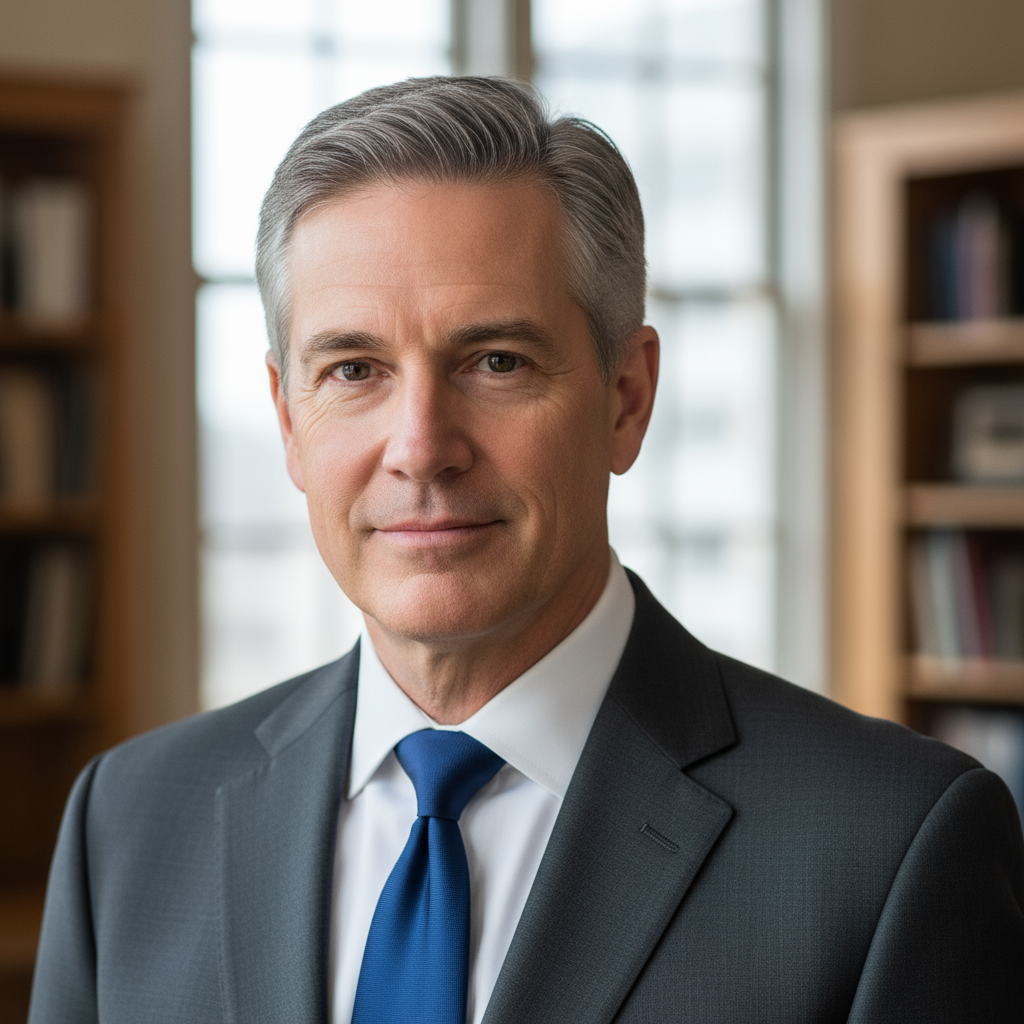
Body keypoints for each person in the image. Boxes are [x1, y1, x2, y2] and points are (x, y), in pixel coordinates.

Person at [29, 76, 1023, 1024]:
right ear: (288, 420)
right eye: (355, 370)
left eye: (495, 361)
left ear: (626, 399)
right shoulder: (128, 823)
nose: (421, 447)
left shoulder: (889, 845)